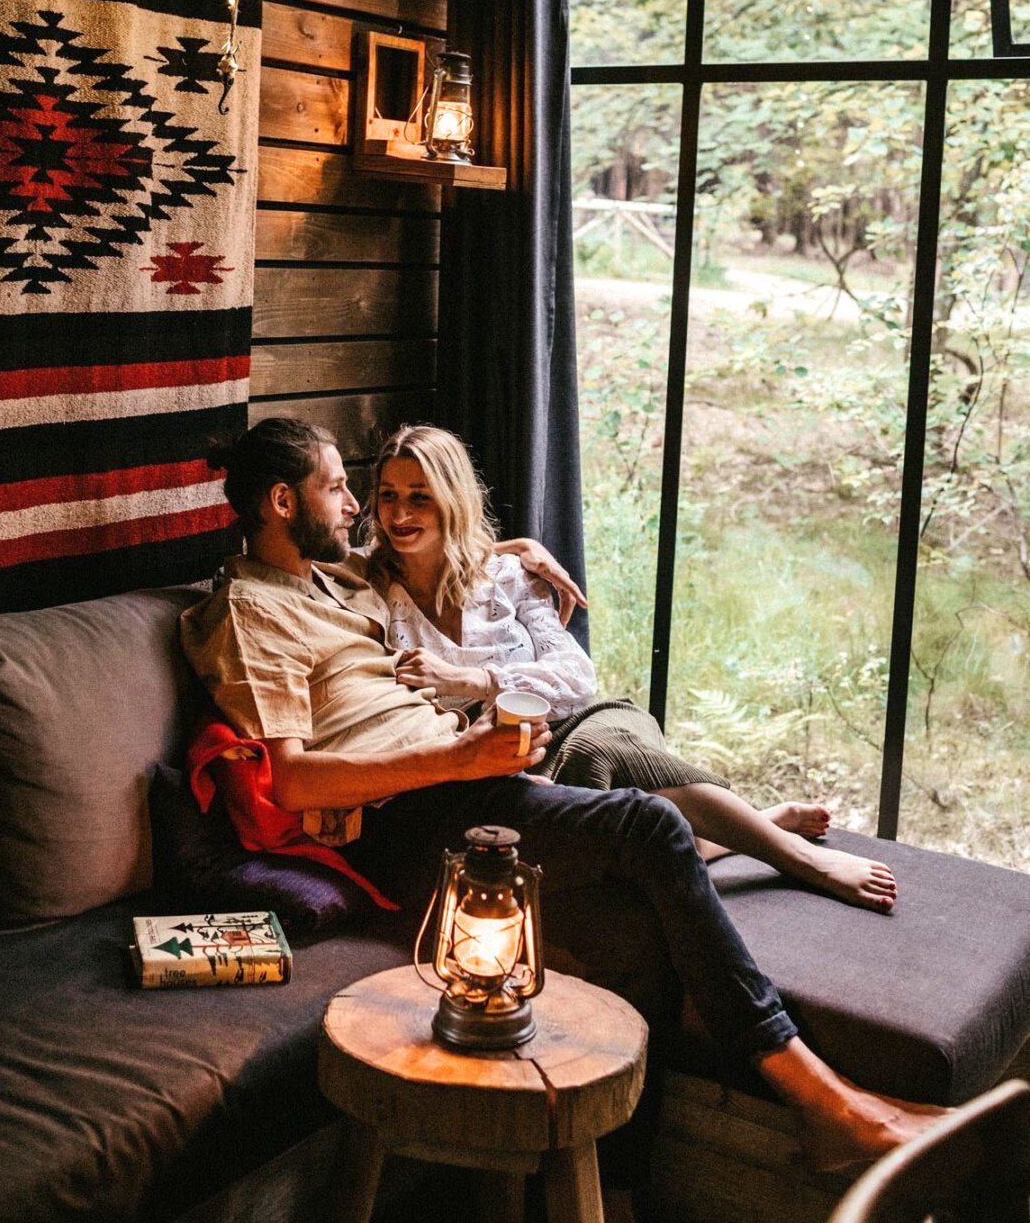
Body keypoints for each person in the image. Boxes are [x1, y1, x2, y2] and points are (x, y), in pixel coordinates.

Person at [180, 417, 945, 1174]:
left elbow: (427, 549)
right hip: (408, 819)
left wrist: (513, 554)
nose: (354, 507)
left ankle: (613, 1188)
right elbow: (294, 778)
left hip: (463, 782)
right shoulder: (250, 615)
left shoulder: (332, 579)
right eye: (339, 488)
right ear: (283, 502)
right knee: (649, 828)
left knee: (633, 933)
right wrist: (455, 756)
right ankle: (820, 1097)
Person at [357, 423, 899, 915]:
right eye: (388, 497)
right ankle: (747, 828)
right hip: (498, 756)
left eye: (420, 498)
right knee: (624, 831)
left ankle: (800, 859)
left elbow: (576, 677)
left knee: (601, 753)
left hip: (581, 719)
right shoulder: (367, 588)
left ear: (453, 501)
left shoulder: (508, 576)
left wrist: (476, 680)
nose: (400, 515)